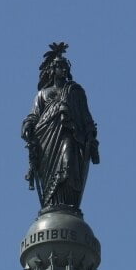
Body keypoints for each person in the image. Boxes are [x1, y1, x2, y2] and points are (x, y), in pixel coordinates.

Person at [22, 42, 100, 210]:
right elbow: (34, 115)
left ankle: (67, 203)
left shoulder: (75, 91)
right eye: (60, 67)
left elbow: (85, 115)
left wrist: (90, 133)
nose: (64, 70)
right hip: (46, 139)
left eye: (65, 67)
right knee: (49, 173)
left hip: (68, 135)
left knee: (69, 162)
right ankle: (51, 203)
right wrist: (28, 125)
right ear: (52, 70)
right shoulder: (42, 94)